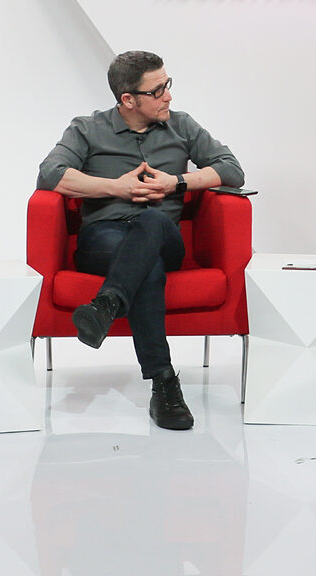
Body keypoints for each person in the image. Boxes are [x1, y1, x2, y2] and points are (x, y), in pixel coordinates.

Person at [37, 50, 244, 430]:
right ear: (128, 99)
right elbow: (50, 174)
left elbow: (232, 169)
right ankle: (164, 384)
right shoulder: (87, 128)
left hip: (164, 236)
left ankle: (106, 304)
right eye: (158, 90)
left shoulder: (181, 125)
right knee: (149, 268)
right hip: (105, 238)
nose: (168, 96)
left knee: (152, 220)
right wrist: (115, 187)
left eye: (168, 84)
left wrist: (176, 183)